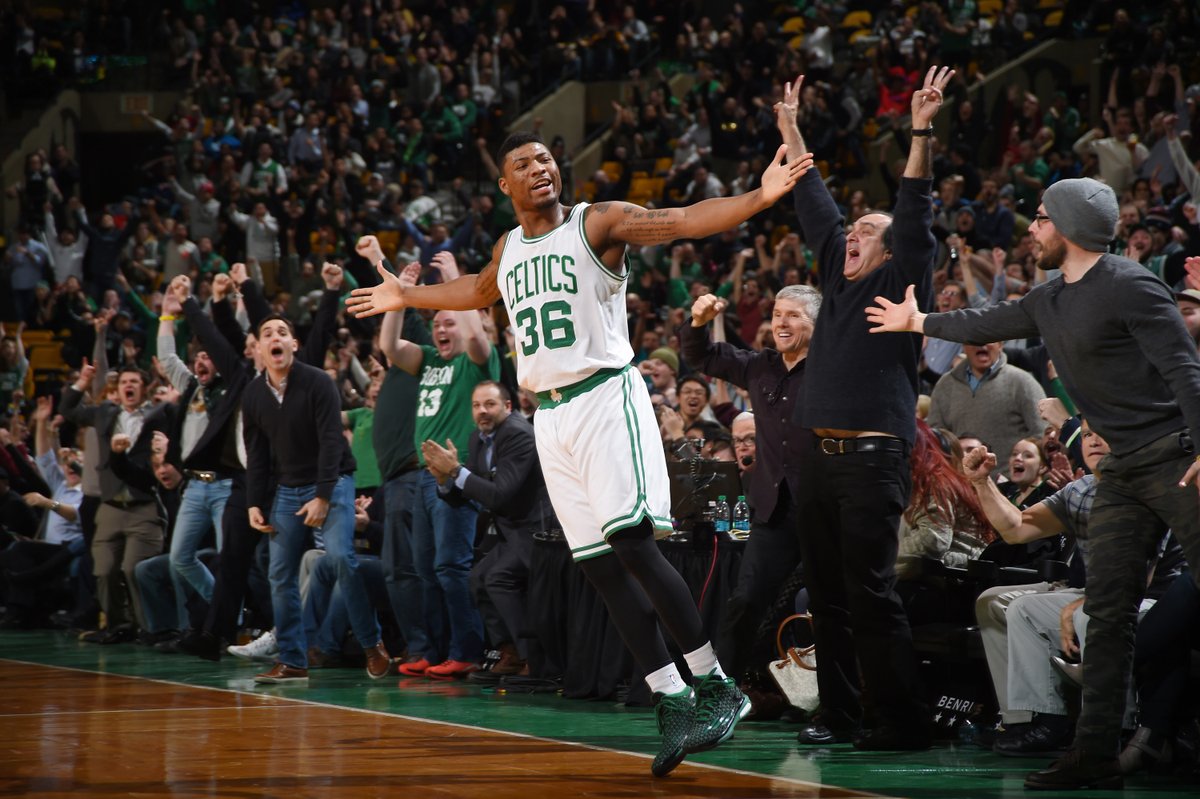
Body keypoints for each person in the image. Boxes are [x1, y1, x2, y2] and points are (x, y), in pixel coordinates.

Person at [346, 129, 812, 776]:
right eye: (522, 163)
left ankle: (715, 683)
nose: (539, 167)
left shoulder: (598, 222)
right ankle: (671, 696)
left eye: (544, 158)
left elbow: (679, 220)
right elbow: (479, 291)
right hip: (550, 416)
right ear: (504, 185)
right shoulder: (510, 247)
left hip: (605, 396)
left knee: (633, 543)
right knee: (598, 565)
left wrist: (758, 199)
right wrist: (407, 296)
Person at [866, 177, 1200, 789]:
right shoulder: (1048, 298)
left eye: (1042, 218)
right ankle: (1095, 754)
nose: (1032, 228)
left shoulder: (1132, 284)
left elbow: (1184, 368)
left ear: (1069, 226)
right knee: (1110, 611)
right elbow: (985, 317)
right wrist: (920, 320)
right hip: (1124, 467)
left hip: (1177, 457)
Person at [776, 67, 954, 751]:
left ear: (887, 250)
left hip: (875, 457)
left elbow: (914, 209)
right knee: (825, 595)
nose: (852, 233)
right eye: (852, 228)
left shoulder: (899, 280)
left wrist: (919, 130)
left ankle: (900, 720)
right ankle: (840, 711)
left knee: (870, 592)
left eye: (866, 229)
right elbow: (813, 198)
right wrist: (792, 131)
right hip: (818, 455)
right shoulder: (833, 268)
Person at [680, 285, 819, 685]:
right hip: (772, 510)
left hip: (822, 510)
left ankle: (832, 701)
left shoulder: (832, 370)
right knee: (745, 601)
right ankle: (725, 690)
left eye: (793, 314)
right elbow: (702, 355)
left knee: (828, 605)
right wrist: (699, 323)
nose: (782, 322)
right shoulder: (761, 366)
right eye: (777, 314)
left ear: (816, 323)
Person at [241, 314, 391, 684]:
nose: (275, 337)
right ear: (258, 349)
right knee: (280, 574)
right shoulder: (253, 394)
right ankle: (293, 660)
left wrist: (323, 496)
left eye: (283, 332)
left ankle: (372, 643)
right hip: (288, 487)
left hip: (334, 478)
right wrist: (254, 502)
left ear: (294, 345)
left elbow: (330, 441)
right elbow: (257, 454)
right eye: (267, 333)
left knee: (340, 557)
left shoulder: (318, 382)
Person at [422, 380, 554, 680]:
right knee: (478, 577)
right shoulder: (478, 439)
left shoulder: (518, 434)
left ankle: (534, 658)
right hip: (511, 532)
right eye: (476, 405)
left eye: (490, 404)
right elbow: (472, 490)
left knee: (497, 577)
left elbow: (499, 494)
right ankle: (509, 651)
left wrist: (456, 471)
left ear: (508, 406)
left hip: (538, 532)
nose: (482, 411)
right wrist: (444, 480)